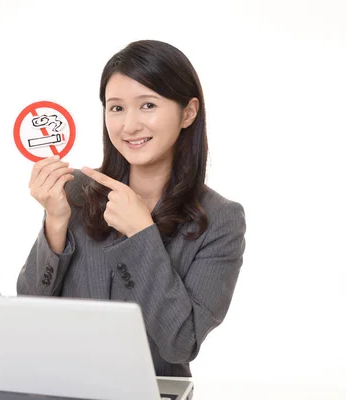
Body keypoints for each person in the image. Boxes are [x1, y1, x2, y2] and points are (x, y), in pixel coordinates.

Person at [16, 39, 246, 379]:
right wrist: (56, 222)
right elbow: (29, 312)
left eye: (148, 105)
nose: (129, 126)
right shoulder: (76, 191)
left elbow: (181, 343)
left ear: (188, 112)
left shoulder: (221, 220)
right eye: (116, 108)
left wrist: (142, 236)